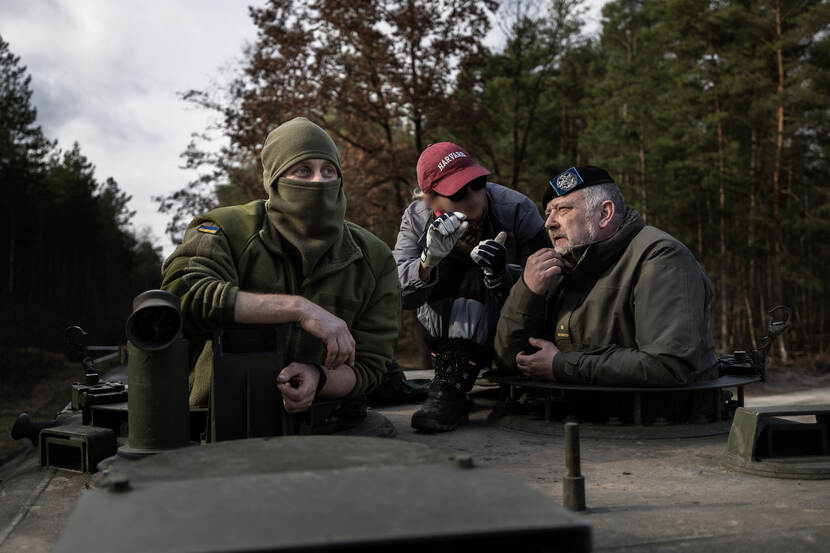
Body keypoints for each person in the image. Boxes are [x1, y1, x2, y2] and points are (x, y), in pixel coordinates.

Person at [161, 117, 400, 412]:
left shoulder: (374, 259)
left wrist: (320, 377)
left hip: (329, 433)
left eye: (329, 171)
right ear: (274, 179)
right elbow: (183, 295)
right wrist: (299, 309)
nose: (319, 182)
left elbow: (370, 366)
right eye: (303, 170)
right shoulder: (226, 230)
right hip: (219, 431)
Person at [495, 166, 719, 385]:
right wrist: (528, 291)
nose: (549, 223)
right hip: (567, 416)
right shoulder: (556, 267)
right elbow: (509, 359)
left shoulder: (659, 257)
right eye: (548, 213)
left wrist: (562, 366)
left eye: (563, 210)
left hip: (652, 419)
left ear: (604, 213)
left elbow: (666, 365)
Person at [394, 142, 548, 431]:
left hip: (509, 328)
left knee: (475, 276)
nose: (474, 197)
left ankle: (450, 386)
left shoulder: (516, 209)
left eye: (478, 183)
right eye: (458, 192)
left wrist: (504, 273)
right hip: (439, 326)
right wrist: (427, 264)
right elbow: (398, 295)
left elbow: (553, 278)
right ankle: (452, 375)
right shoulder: (415, 219)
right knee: (448, 269)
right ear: (430, 198)